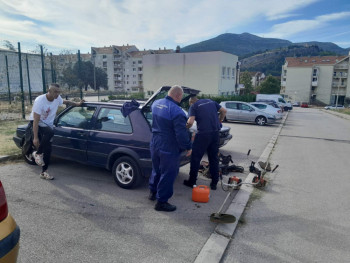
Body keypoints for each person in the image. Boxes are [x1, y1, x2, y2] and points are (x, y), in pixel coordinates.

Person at [149, 85, 192, 212]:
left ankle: (153, 192)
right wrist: (188, 146)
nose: (181, 99)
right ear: (178, 96)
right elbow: (181, 134)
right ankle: (161, 202)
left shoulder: (156, 103)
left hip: (155, 142)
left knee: (156, 169)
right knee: (168, 173)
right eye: (181, 97)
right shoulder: (177, 111)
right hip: (168, 145)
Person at [30, 83, 84, 180]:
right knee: (50, 132)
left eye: (59, 92)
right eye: (55, 91)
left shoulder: (57, 98)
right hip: (38, 122)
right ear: (49, 91)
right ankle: (37, 153)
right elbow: (36, 120)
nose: (57, 94)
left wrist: (77, 104)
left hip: (48, 125)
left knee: (48, 149)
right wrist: (35, 137)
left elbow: (65, 101)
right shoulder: (40, 101)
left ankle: (44, 172)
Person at [183, 96, 227, 190]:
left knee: (195, 158)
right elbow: (224, 111)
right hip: (215, 134)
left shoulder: (194, 106)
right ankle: (214, 183)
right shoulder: (211, 101)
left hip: (203, 135)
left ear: (191, 102)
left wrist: (184, 128)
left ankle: (192, 181)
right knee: (213, 158)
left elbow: (190, 122)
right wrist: (220, 120)